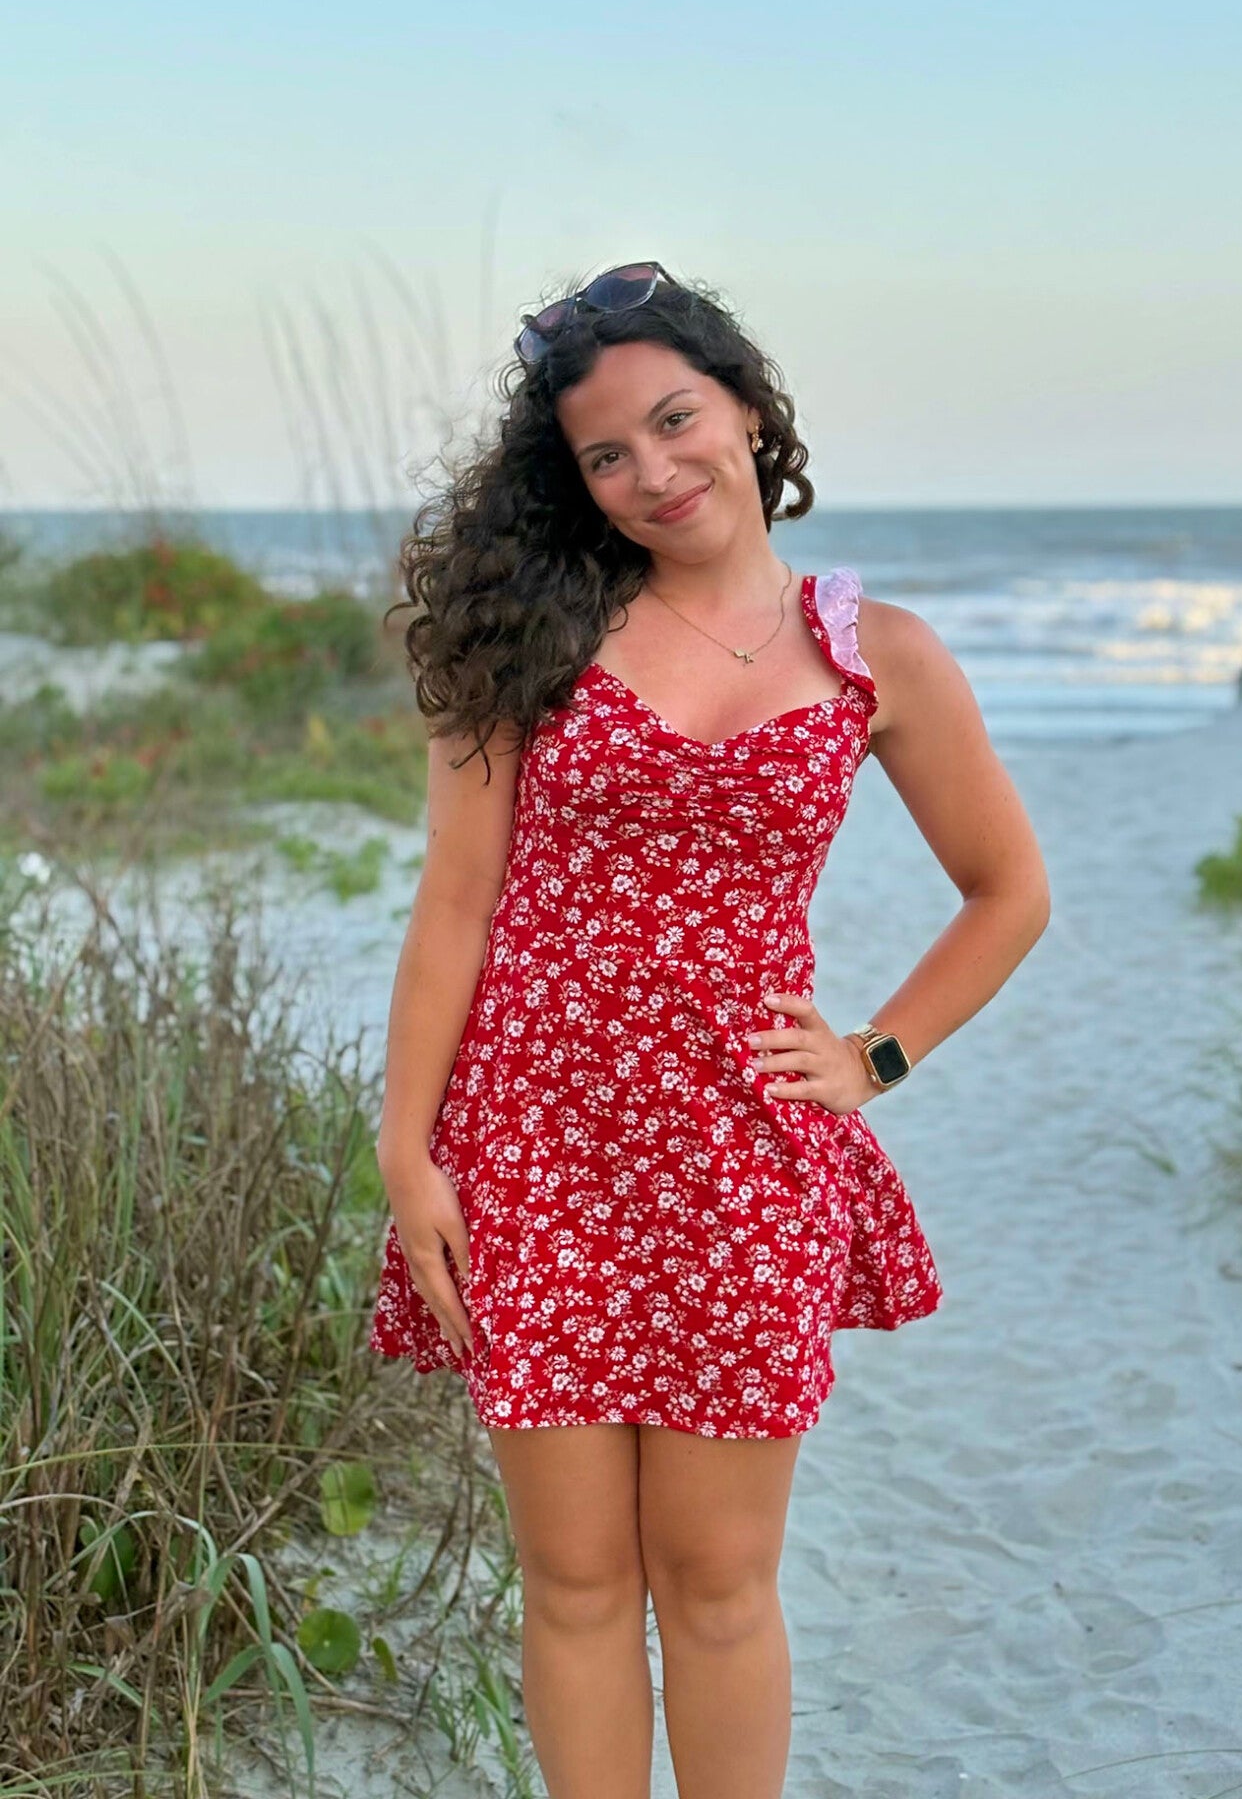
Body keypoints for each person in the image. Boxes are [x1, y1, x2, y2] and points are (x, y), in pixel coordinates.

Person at [368, 260, 1050, 1798]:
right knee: (576, 1582)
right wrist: (410, 1152)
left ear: (747, 408)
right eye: (607, 454)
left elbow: (1008, 892)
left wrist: (872, 1058)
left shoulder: (880, 656)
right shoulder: (531, 640)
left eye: (677, 421)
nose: (653, 471)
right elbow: (455, 910)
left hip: (744, 1161)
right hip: (535, 1150)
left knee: (723, 1582)